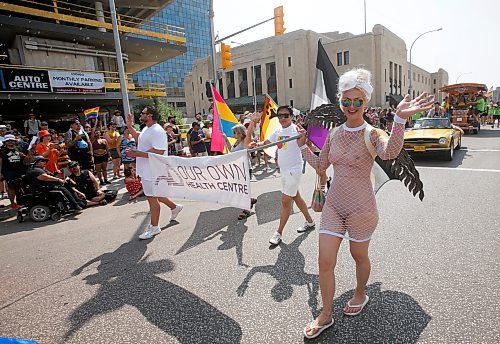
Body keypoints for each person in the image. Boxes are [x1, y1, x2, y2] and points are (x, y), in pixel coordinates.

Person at [299, 68, 434, 339]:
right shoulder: (335, 134)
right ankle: (326, 314)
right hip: (334, 207)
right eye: (346, 101)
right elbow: (321, 166)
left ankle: (361, 293)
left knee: (358, 256)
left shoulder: (372, 134)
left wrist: (398, 120)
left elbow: (390, 151)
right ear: (340, 102)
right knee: (324, 261)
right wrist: (304, 147)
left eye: (357, 101)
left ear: (366, 102)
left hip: (362, 209)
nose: (351, 106)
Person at [254, 105, 316, 245]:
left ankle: (278, 233)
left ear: (292, 116)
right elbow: (266, 143)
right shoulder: (278, 131)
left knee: (285, 201)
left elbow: (309, 147)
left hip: (294, 169)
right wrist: (256, 144)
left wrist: (306, 138)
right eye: (280, 115)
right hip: (284, 170)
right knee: (296, 196)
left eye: (285, 115)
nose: (282, 118)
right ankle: (310, 221)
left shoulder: (297, 130)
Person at [125, 106, 184, 240]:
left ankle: (154, 227)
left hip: (153, 170)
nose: (141, 115)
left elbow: (159, 151)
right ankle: (175, 207)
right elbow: (138, 137)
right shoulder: (147, 129)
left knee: (152, 198)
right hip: (147, 170)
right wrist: (129, 126)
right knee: (155, 194)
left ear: (150, 115)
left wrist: (137, 153)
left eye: (143, 113)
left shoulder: (157, 130)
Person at [223, 120, 258, 220]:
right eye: (234, 132)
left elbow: (249, 135)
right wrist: (225, 139)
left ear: (240, 133)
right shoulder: (236, 142)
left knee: (243, 189)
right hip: (237, 169)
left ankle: (246, 210)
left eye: (235, 132)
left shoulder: (244, 141)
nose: (234, 134)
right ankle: (249, 200)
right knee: (239, 189)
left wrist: (252, 122)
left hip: (245, 168)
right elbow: (231, 150)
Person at [0, 134, 31, 209]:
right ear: (5, 142)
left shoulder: (19, 148)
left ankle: (21, 202)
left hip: (21, 170)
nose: (10, 142)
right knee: (11, 187)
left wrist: (23, 156)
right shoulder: (2, 150)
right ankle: (12, 203)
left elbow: (27, 160)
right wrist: (0, 173)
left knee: (22, 186)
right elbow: (0, 162)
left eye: (12, 141)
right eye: (8, 141)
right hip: (8, 171)